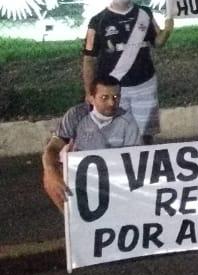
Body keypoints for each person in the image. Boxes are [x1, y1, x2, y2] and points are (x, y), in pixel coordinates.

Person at [82, 0, 173, 144]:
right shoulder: (98, 21)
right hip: (113, 89)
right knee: (115, 133)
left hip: (145, 83)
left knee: (146, 132)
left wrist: (167, 30)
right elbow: (89, 59)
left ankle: (146, 163)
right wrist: (89, 92)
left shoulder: (144, 13)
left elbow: (157, 42)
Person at [42, 77, 141, 210]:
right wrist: (50, 171)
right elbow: (53, 147)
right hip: (79, 174)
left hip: (114, 177)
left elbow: (135, 160)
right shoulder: (76, 115)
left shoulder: (128, 122)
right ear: (91, 98)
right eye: (104, 97)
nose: (112, 102)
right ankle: (70, 220)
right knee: (50, 179)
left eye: (116, 97)